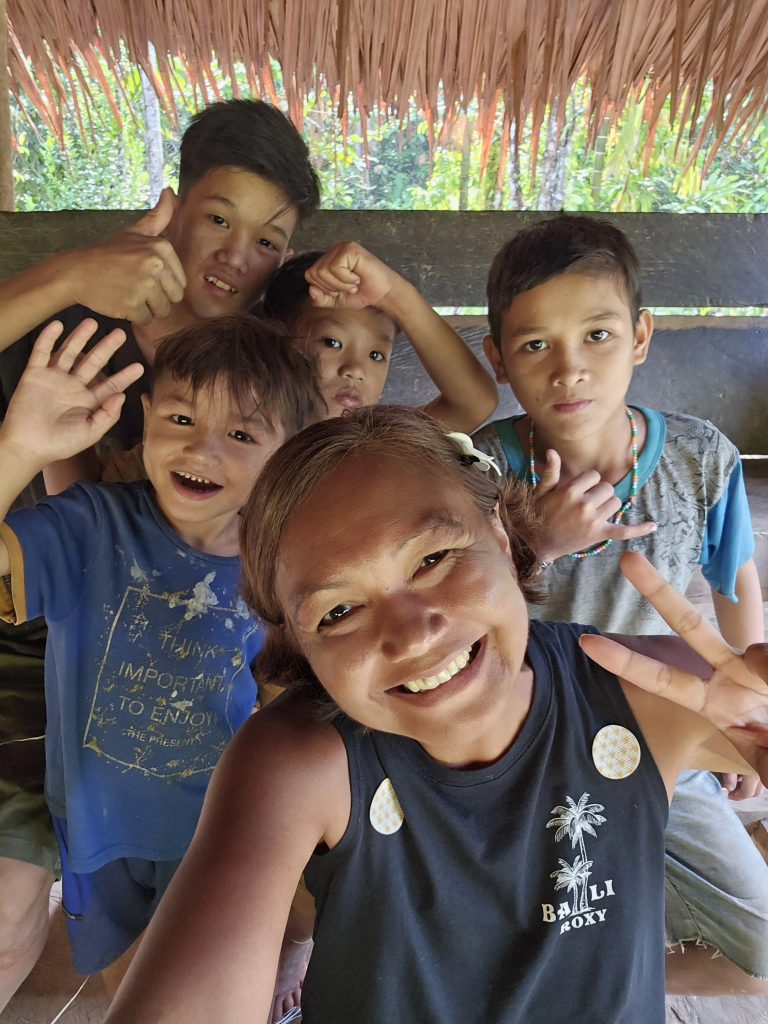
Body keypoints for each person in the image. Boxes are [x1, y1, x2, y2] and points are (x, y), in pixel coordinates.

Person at [101, 405, 768, 1024]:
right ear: (301, 649)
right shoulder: (300, 761)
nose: (412, 634)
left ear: (501, 536)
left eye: (433, 559)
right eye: (338, 611)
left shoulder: (646, 694)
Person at [0, 97, 320, 1008]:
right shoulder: (73, 342)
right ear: (172, 206)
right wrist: (64, 284)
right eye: (218, 218)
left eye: (269, 239)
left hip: (210, 797)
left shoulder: (273, 393)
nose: (237, 254)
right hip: (50, 631)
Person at [471, 214, 768, 993]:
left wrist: (741, 713)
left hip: (664, 723)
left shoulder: (702, 457)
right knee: (509, 916)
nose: (569, 369)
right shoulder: (483, 469)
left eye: (597, 335)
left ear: (640, 337)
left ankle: (607, 974)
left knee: (760, 954)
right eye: (536, 345)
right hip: (528, 740)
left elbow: (735, 583)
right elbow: (462, 614)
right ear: (497, 358)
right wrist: (540, 542)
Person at [261, 241, 498, 430]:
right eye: (332, 343)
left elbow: (474, 404)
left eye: (376, 355)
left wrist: (394, 294)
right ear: (276, 342)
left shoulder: (377, 451)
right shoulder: (246, 431)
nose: (356, 370)